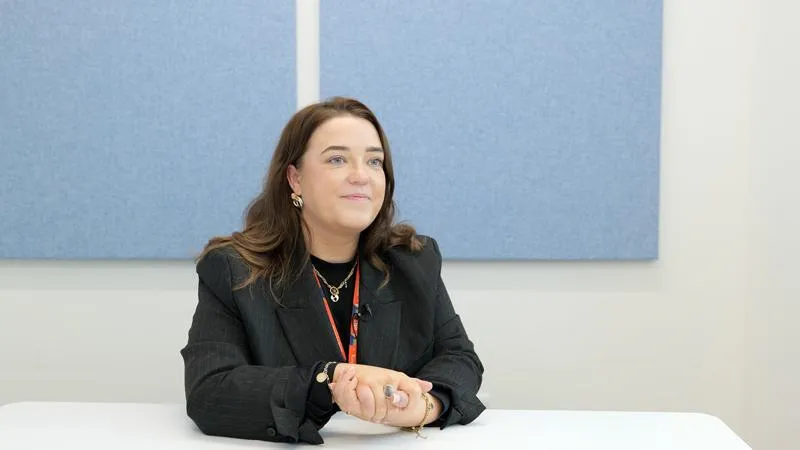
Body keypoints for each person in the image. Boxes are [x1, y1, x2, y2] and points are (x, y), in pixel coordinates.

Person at [180, 97, 485, 444]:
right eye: (337, 159)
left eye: (374, 161)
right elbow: (210, 391)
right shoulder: (233, 269)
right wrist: (329, 380)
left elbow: (459, 358)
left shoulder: (414, 260)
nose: (361, 176)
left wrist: (425, 405)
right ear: (295, 179)